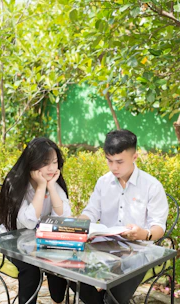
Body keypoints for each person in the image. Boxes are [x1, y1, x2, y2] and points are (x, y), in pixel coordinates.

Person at [52, 129, 169, 304]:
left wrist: (143, 234)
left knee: (114, 298)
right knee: (65, 266)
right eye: (109, 160)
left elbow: (159, 226)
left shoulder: (151, 186)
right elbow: (91, 212)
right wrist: (77, 225)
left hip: (137, 252)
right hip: (104, 249)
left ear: (135, 157)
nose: (114, 167)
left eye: (119, 162)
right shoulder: (103, 182)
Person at [0, 137, 71, 304]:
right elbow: (28, 223)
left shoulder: (54, 183)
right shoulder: (15, 184)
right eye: (45, 163)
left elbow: (65, 217)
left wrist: (51, 187)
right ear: (32, 163)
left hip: (40, 240)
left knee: (65, 259)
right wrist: (41, 187)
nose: (52, 168)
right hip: (12, 241)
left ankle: (59, 296)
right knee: (31, 270)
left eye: (55, 162)